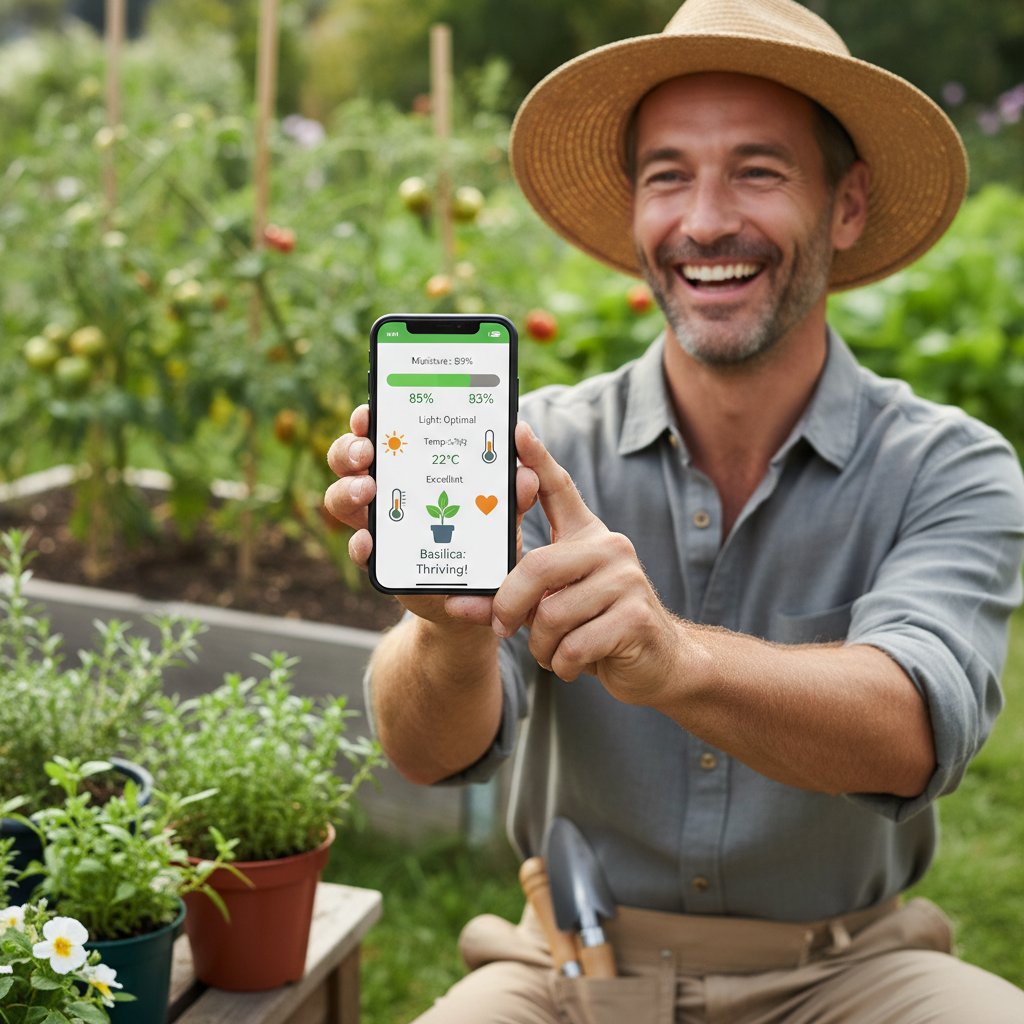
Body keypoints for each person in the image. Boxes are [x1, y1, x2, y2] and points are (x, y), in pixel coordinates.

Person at [324, 0, 1024, 1020]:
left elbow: (915, 727)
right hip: (564, 968)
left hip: (850, 970)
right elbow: (427, 753)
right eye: (667, 176)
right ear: (635, 211)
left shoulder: (949, 466)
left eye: (757, 170)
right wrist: (446, 628)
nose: (702, 221)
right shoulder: (530, 449)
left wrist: (675, 657)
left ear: (847, 204)